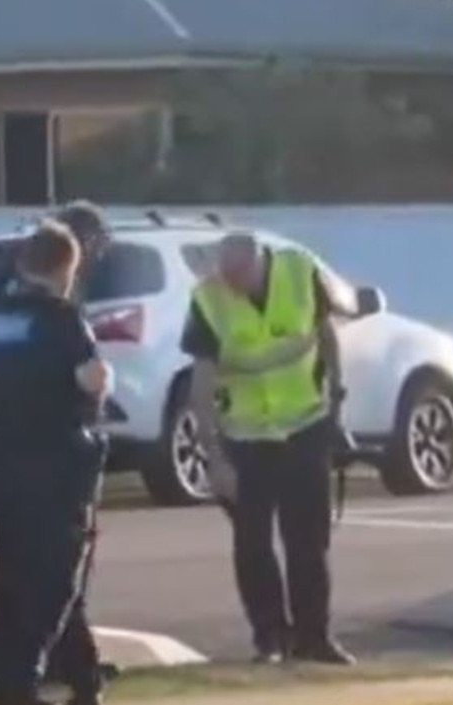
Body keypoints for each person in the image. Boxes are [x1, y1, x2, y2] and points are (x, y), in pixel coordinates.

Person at [0, 220, 113, 705]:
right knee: (59, 572)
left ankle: (84, 681)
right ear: (68, 269)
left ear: (23, 264)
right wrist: (105, 382)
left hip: (10, 459)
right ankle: (21, 679)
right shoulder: (62, 318)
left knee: (18, 568)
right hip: (62, 460)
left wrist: (0, 389)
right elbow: (90, 378)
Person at [180, 229, 356, 666]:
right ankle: (271, 637)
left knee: (308, 541)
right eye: (226, 275)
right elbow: (201, 384)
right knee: (252, 542)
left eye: (239, 274)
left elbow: (326, 335)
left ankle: (314, 637)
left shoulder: (300, 272)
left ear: (260, 262)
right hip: (246, 436)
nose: (232, 283)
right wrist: (214, 458)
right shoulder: (208, 299)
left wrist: (336, 404)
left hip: (304, 425)